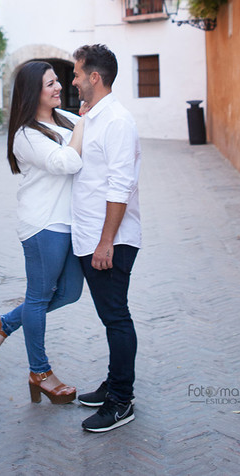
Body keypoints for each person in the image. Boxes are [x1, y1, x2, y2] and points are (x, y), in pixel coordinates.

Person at [0, 59, 85, 404]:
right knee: (38, 298)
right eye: (50, 83)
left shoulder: (67, 120)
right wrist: (87, 120)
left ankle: (3, 324)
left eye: (58, 81)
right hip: (43, 225)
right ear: (32, 92)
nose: (59, 87)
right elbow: (69, 161)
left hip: (70, 222)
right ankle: (40, 372)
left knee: (69, 293)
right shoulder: (26, 136)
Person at [71, 44, 141, 433]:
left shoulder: (116, 121)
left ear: (94, 77)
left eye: (78, 74)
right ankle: (115, 384)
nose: (74, 80)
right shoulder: (94, 117)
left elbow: (120, 186)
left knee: (116, 318)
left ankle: (121, 400)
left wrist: (105, 242)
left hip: (110, 241)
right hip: (94, 238)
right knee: (110, 317)